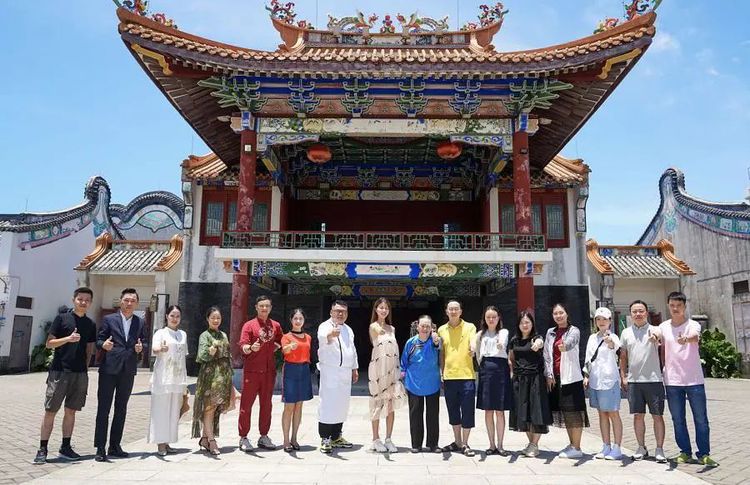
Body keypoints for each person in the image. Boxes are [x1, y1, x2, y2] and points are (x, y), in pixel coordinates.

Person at [33, 287, 96, 464]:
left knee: (71, 411)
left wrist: (85, 369)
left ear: (90, 303)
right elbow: (49, 343)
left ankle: (65, 447)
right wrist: (67, 339)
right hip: (59, 371)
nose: (83, 302)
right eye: (80, 299)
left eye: (87, 300)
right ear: (73, 300)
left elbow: (89, 349)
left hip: (79, 374)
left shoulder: (90, 324)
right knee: (50, 411)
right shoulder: (61, 318)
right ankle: (42, 449)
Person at [659, 292, 718, 467]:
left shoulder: (693, 325)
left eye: (679, 305)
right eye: (672, 305)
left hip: (694, 380)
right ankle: (685, 451)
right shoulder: (663, 326)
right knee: (678, 419)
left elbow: (695, 337)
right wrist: (654, 337)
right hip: (672, 381)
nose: (675, 309)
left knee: (701, 419)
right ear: (668, 306)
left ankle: (704, 454)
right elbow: (656, 336)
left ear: (684, 306)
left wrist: (685, 339)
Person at [94, 288, 145, 462]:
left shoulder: (140, 322)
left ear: (137, 303)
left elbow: (143, 342)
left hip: (128, 370)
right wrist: (103, 345)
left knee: (121, 409)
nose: (129, 303)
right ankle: (100, 447)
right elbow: (99, 340)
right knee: (104, 409)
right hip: (109, 369)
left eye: (133, 301)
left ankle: (115, 445)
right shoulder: (109, 319)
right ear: (120, 301)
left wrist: (140, 348)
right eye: (126, 300)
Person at [619, 300, 667, 462]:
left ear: (646, 313)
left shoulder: (655, 329)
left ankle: (659, 449)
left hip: (654, 380)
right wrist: (623, 376)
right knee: (638, 416)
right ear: (630, 314)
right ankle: (641, 447)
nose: (638, 314)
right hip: (634, 381)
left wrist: (655, 338)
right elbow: (623, 356)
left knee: (657, 415)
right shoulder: (626, 333)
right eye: (634, 311)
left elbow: (658, 338)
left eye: (641, 311)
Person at [543, 303, 589, 459]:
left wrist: (565, 346)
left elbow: (571, 342)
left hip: (571, 378)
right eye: (555, 313)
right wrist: (548, 375)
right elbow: (547, 355)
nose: (558, 316)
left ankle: (577, 447)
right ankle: (572, 444)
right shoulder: (550, 332)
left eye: (561, 313)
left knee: (574, 412)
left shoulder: (573, 330)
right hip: (556, 378)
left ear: (567, 314)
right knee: (566, 413)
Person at [238, 295, 283, 452]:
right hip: (252, 371)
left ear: (270, 308)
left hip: (269, 372)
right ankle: (243, 437)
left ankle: (264, 436)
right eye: (261, 306)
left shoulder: (275, 325)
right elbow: (243, 345)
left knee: (266, 405)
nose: (264, 308)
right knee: (246, 405)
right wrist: (251, 348)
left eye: (267, 306)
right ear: (256, 307)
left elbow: (281, 340)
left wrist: (275, 347)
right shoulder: (249, 325)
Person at [317, 300, 358, 454]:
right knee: (328, 404)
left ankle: (336, 436)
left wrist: (354, 367)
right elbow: (323, 338)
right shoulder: (325, 326)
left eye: (343, 311)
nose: (340, 314)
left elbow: (352, 349)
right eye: (337, 311)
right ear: (331, 312)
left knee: (342, 404)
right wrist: (331, 335)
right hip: (330, 371)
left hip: (345, 371)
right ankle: (325, 438)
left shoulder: (348, 329)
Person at [508, 310, 550, 458]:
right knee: (523, 412)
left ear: (532, 324)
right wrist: (512, 374)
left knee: (536, 412)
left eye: (527, 322)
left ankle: (534, 444)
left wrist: (537, 345)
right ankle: (531, 444)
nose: (524, 325)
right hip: (520, 380)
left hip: (535, 379)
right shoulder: (514, 340)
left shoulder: (536, 338)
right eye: (522, 322)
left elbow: (540, 343)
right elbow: (511, 358)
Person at [192, 306, 234, 456]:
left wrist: (230, 378)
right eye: (213, 318)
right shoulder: (204, 336)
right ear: (207, 319)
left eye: (218, 318)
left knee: (215, 408)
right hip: (209, 377)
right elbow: (201, 356)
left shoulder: (223, 335)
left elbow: (228, 356)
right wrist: (209, 352)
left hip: (222, 376)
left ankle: (205, 439)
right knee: (209, 408)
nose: (216, 320)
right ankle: (211, 440)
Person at [438, 299, 477, 456]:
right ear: (446, 312)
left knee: (467, 410)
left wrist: (473, 348)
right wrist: (441, 372)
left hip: (467, 376)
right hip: (449, 377)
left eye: (456, 309)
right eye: (450, 309)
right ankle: (457, 442)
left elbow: (473, 341)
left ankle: (465, 443)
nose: (453, 311)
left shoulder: (470, 327)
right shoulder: (441, 330)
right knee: (453, 411)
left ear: (461, 311)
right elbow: (442, 353)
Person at [583, 307, 623, 460]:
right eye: (598, 319)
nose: (601, 322)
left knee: (613, 413)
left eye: (604, 319)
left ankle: (617, 447)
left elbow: (615, 348)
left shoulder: (613, 337)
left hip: (609, 380)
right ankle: (606, 445)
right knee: (601, 413)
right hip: (595, 380)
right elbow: (588, 358)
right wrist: (586, 376)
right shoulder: (592, 338)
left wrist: (609, 342)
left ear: (610, 321)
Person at [367, 298, 407, 453]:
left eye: (386, 308)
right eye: (381, 307)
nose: (383, 310)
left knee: (390, 405)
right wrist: (381, 328)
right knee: (377, 403)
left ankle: (388, 439)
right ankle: (375, 439)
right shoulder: (374, 326)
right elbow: (378, 331)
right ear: (376, 309)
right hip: (378, 370)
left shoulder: (392, 328)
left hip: (391, 370)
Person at [148, 305, 188, 456]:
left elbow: (183, 356)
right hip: (163, 378)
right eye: (172, 315)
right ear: (166, 316)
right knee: (161, 410)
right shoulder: (160, 333)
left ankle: (168, 441)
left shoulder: (183, 334)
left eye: (177, 316)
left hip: (177, 378)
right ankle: (160, 443)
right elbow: (154, 349)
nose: (174, 318)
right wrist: (161, 350)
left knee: (173, 411)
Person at [400, 316, 442, 453]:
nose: (425, 329)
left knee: (433, 415)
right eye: (422, 326)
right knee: (415, 414)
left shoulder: (435, 341)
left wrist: (436, 339)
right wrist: (402, 376)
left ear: (432, 328)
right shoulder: (411, 343)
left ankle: (433, 444)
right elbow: (404, 362)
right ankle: (416, 444)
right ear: (417, 327)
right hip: (414, 383)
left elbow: (440, 349)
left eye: (428, 326)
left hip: (432, 383)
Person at [475, 306, 512, 456]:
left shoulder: (503, 332)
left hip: (500, 370)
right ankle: (491, 444)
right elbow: (477, 351)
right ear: (484, 319)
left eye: (494, 317)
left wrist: (500, 345)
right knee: (488, 410)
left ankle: (501, 445)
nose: (491, 319)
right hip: (486, 370)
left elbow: (502, 342)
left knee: (500, 410)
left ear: (498, 318)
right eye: (488, 317)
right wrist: (481, 364)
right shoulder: (480, 334)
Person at [280, 308, 313, 453]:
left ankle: (294, 438)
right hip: (291, 370)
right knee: (289, 406)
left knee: (299, 406)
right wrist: (289, 347)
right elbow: (285, 350)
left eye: (300, 319)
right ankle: (286, 440)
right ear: (291, 320)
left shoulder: (308, 337)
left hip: (304, 370)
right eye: (295, 318)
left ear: (304, 320)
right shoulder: (286, 336)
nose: (298, 321)